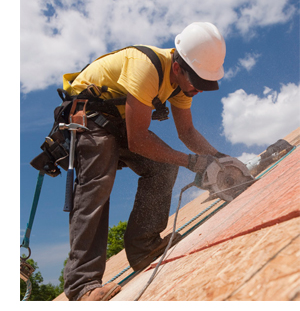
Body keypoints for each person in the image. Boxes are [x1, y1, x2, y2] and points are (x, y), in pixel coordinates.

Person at [63, 22, 227, 301]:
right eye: (196, 83)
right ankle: (82, 286)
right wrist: (192, 162)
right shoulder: (147, 67)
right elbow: (138, 139)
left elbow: (186, 132)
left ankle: (144, 246)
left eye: (204, 84)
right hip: (88, 118)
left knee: (163, 166)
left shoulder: (181, 85)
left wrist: (221, 159)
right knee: (97, 185)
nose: (198, 90)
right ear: (178, 66)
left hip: (119, 122)